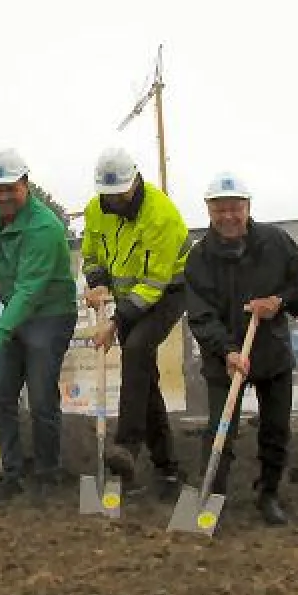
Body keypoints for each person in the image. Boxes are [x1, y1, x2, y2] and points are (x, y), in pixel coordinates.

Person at [184, 172, 298, 525]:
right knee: (220, 428)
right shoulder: (200, 259)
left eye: (235, 208)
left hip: (271, 350)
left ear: (248, 207)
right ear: (209, 211)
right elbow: (199, 314)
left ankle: (269, 493)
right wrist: (226, 350)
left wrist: (278, 301)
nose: (228, 216)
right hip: (225, 357)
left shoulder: (276, 243)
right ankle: (213, 494)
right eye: (219, 209)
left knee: (275, 429)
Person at [82, 147, 190, 502]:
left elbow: (155, 284)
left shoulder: (162, 216)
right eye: (108, 194)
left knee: (137, 348)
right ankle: (168, 467)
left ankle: (126, 445)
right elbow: (92, 255)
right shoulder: (96, 209)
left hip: (167, 291)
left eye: (121, 193)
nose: (114, 200)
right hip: (127, 296)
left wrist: (114, 321)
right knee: (145, 378)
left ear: (135, 181)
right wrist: (96, 282)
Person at [0, 149, 78, 506]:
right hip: (16, 309)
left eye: (10, 188)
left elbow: (30, 290)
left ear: (25, 184)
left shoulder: (44, 228)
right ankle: (12, 472)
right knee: (1, 394)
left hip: (49, 313)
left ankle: (48, 471)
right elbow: (3, 261)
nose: (2, 196)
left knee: (39, 396)